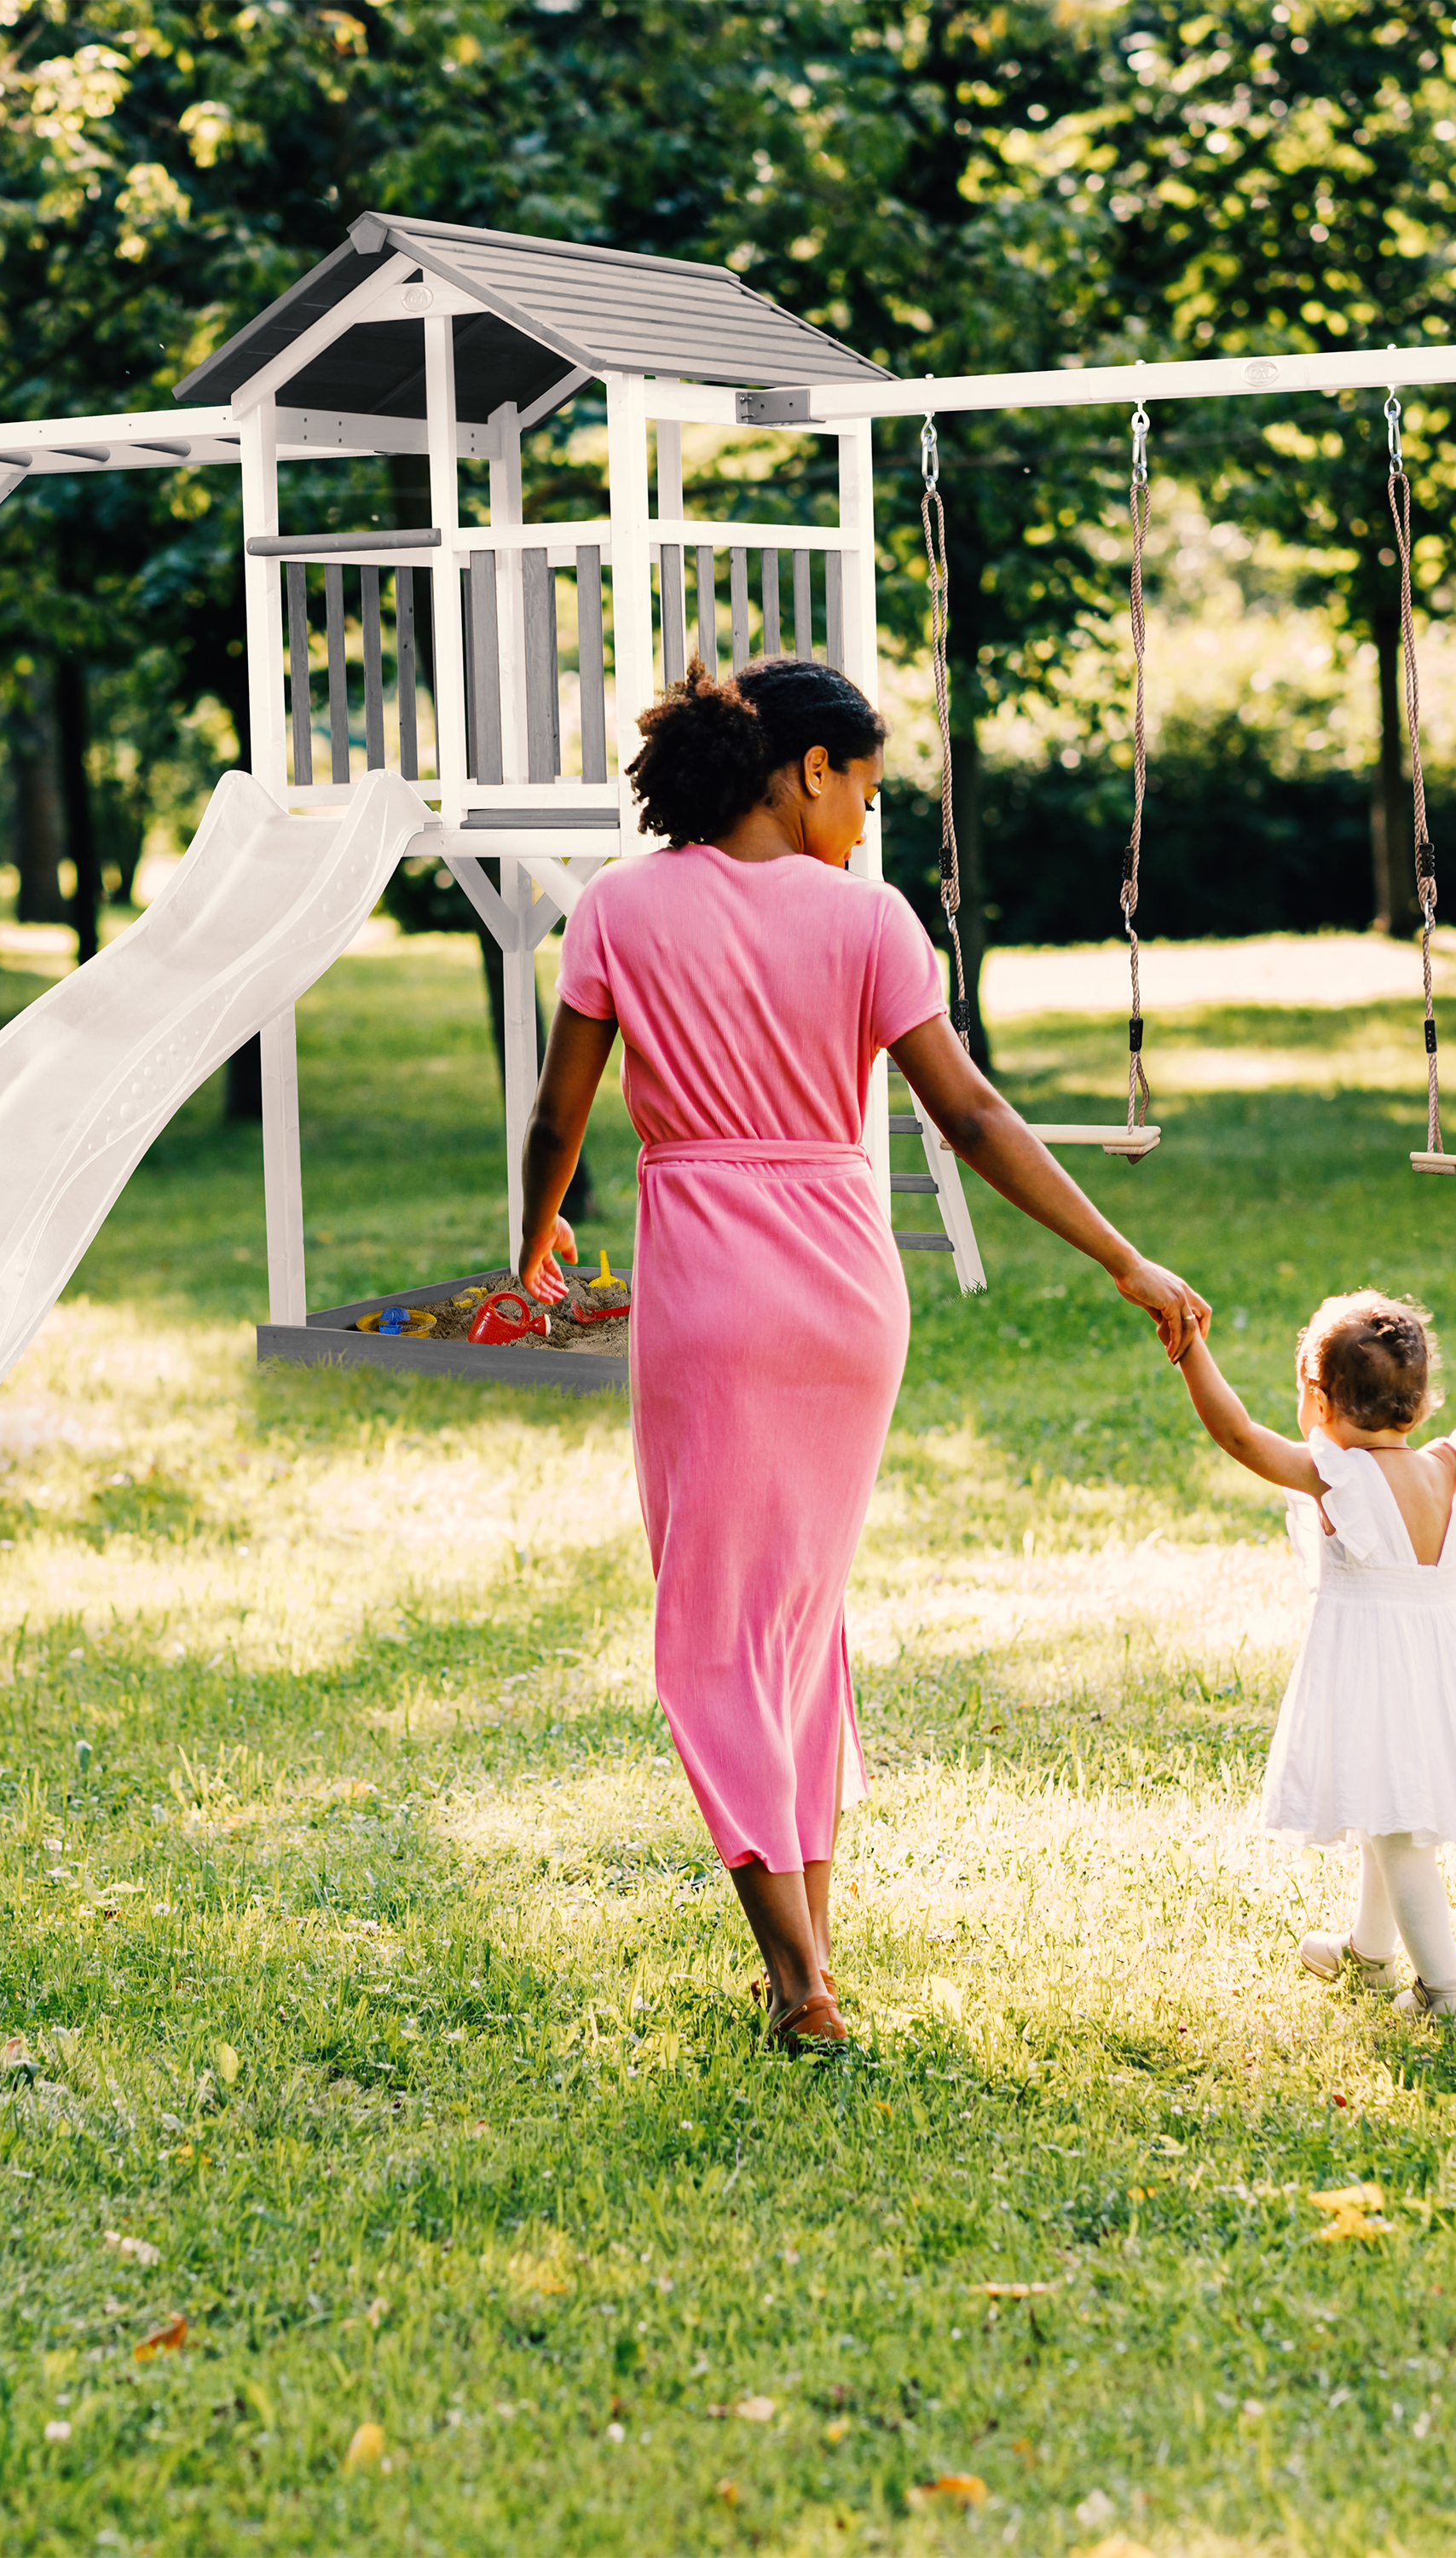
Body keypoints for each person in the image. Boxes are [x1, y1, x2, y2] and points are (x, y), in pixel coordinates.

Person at [515, 657, 1210, 2054]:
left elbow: (557, 1116)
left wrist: (532, 1241)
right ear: (808, 768)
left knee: (715, 1634)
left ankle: (799, 1984)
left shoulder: (619, 909)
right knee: (796, 1619)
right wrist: (1120, 1255)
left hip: (712, 1295)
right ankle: (811, 1957)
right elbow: (975, 1116)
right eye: (867, 793)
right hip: (846, 1294)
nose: (866, 822)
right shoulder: (872, 921)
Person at [1170, 1291, 1456, 2023]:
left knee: (1398, 1833)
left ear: (1319, 1400)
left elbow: (1237, 1434)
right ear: (1419, 1405)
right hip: (1441, 1671)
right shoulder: (1447, 1466)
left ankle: (1443, 1993)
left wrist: (1190, 1350)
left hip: (1375, 1674)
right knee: (1383, 1804)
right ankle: (1368, 1954)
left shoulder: (1337, 1476)